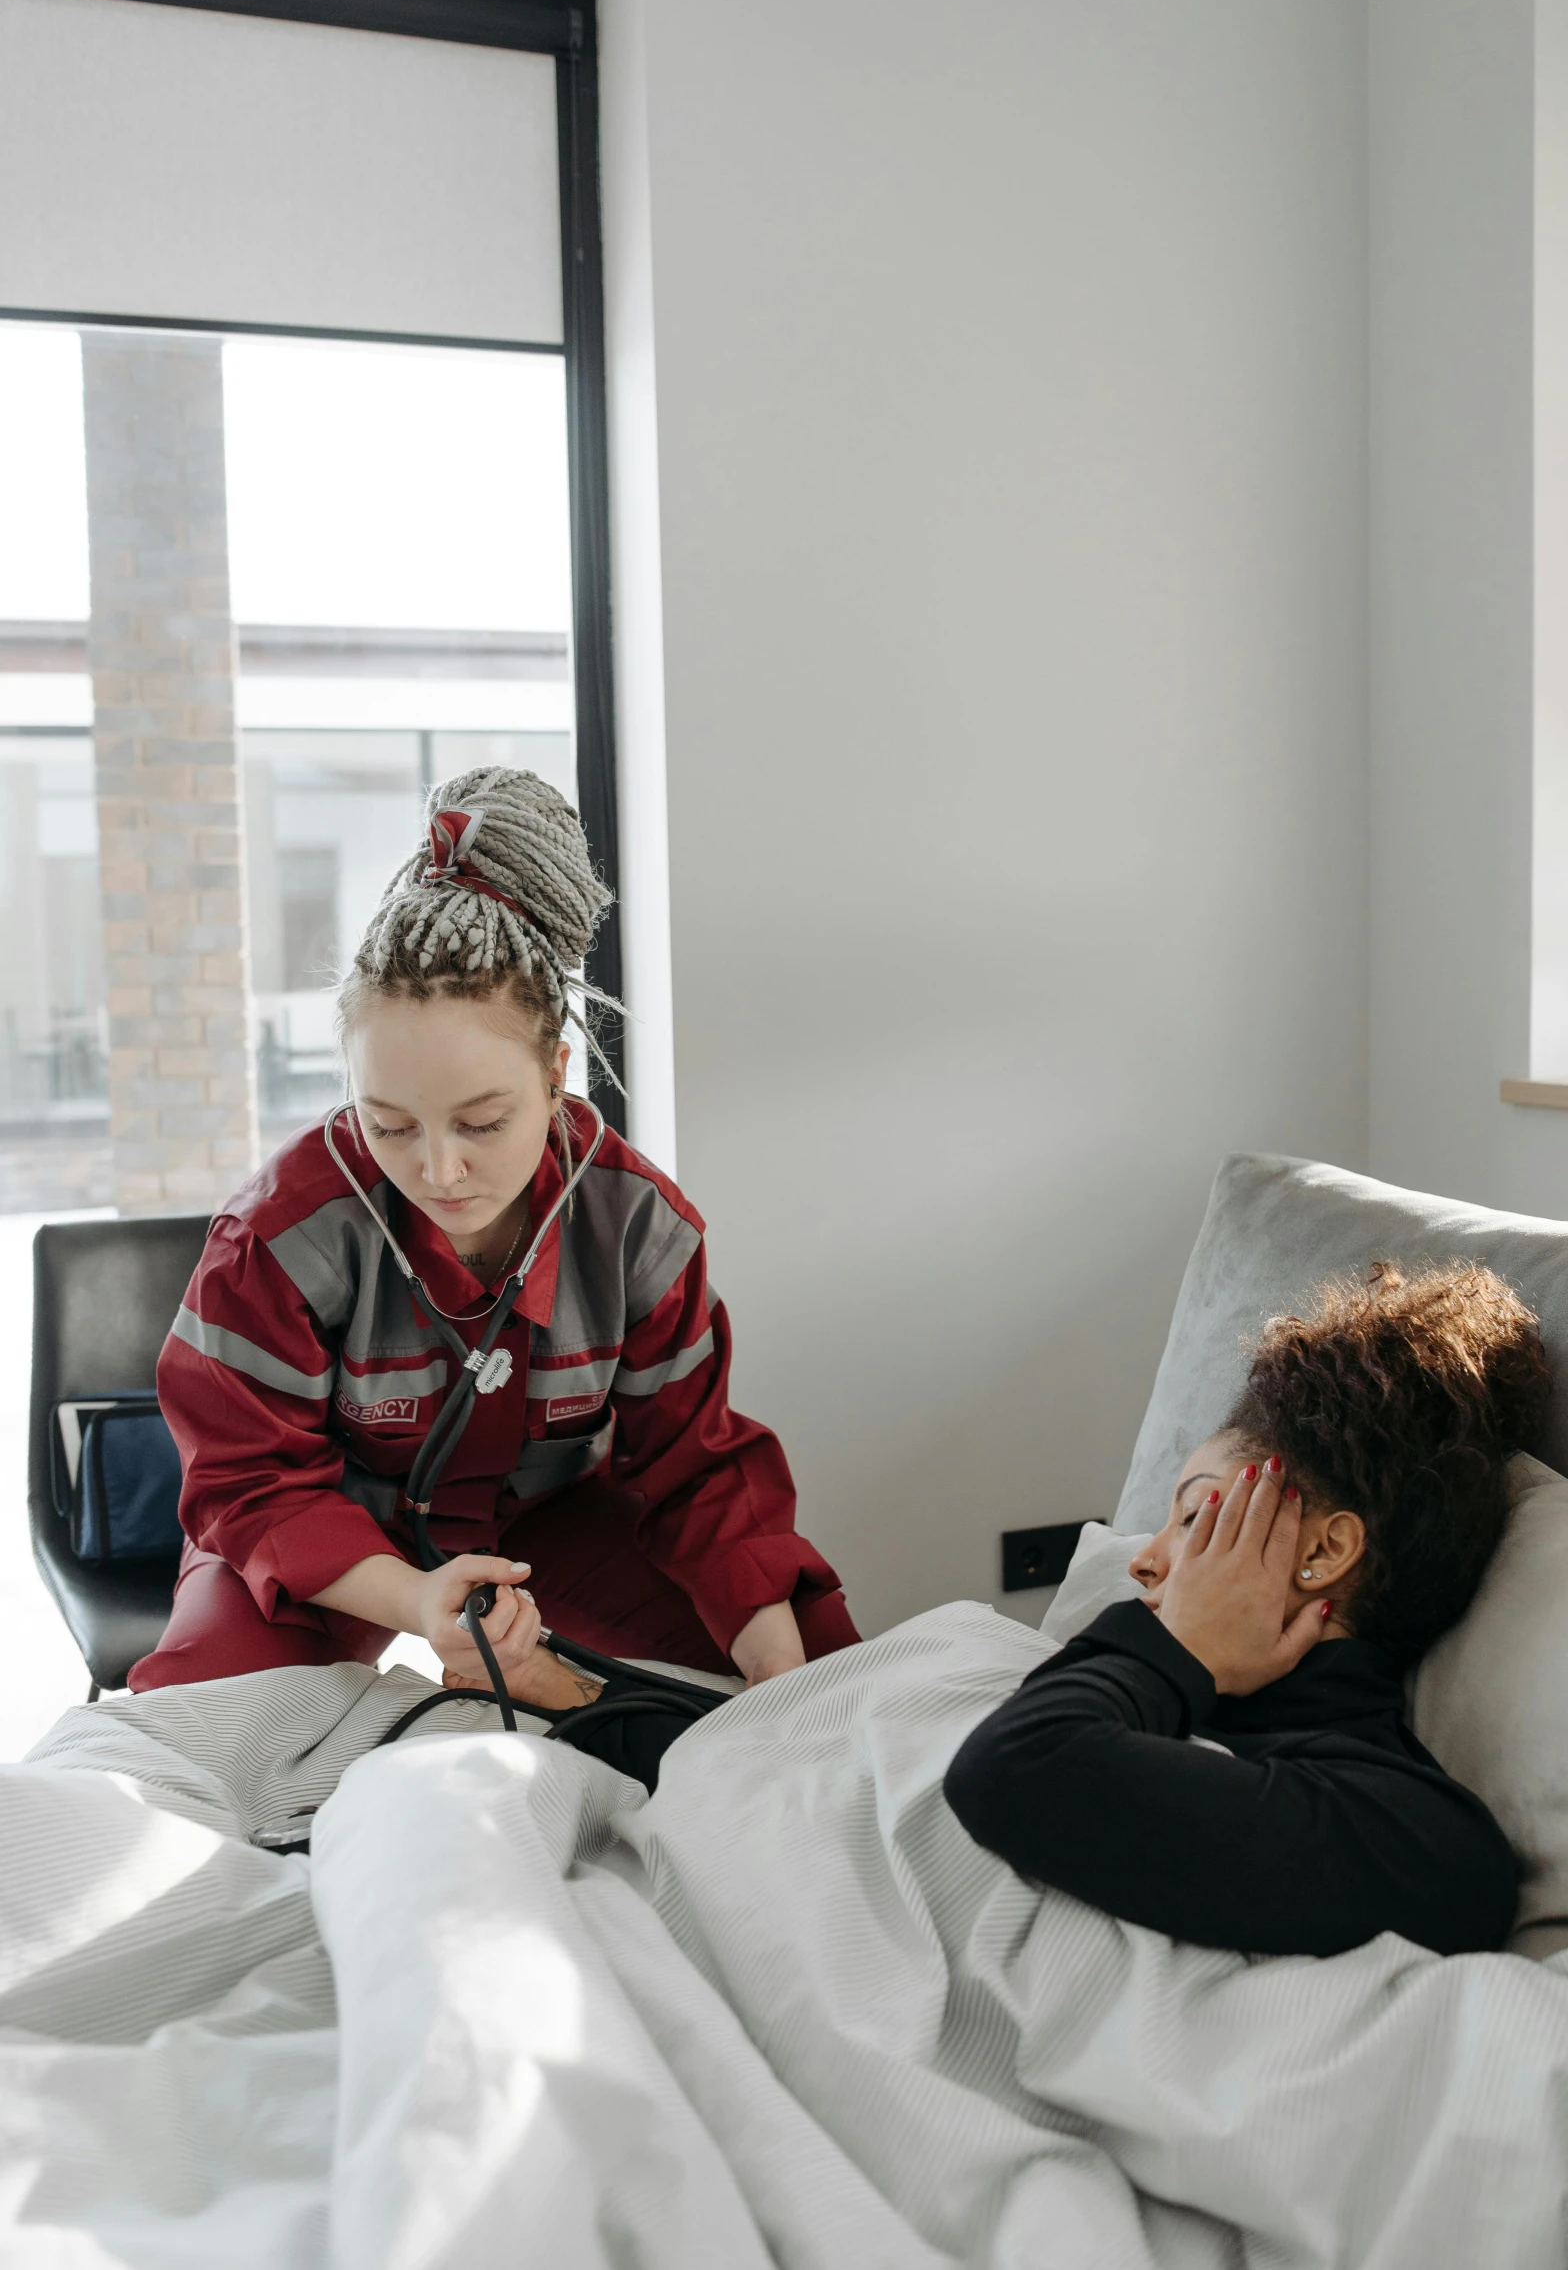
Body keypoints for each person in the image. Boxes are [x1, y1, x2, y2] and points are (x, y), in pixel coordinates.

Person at [131, 768, 858, 1706]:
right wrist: (418, 1600)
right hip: (327, 1533)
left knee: (817, 1667)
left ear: (557, 1075)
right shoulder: (275, 1242)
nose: (438, 1171)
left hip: (551, 1525)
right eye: (388, 1124)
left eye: (481, 1122)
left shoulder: (636, 1225)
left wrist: (781, 1680)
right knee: (202, 1724)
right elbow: (252, 1483)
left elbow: (697, 1466)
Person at [944, 1262, 1540, 1957]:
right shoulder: (1110, 1692)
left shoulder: (1415, 1832)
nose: (1142, 1559)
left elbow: (1015, 1769)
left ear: (1324, 1548)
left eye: (1194, 1515)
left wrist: (1182, 1651)